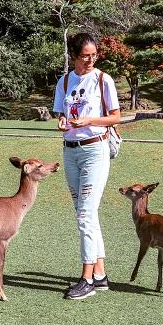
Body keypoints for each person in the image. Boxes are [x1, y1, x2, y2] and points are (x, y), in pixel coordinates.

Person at [52, 33, 121, 300]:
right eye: (85, 55)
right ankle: (101, 276)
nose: (91, 59)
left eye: (94, 54)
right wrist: (61, 121)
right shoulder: (66, 80)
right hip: (70, 152)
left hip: (95, 150)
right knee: (86, 214)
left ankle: (87, 279)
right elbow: (62, 112)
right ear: (74, 55)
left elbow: (115, 117)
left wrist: (89, 120)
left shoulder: (104, 80)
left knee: (85, 214)